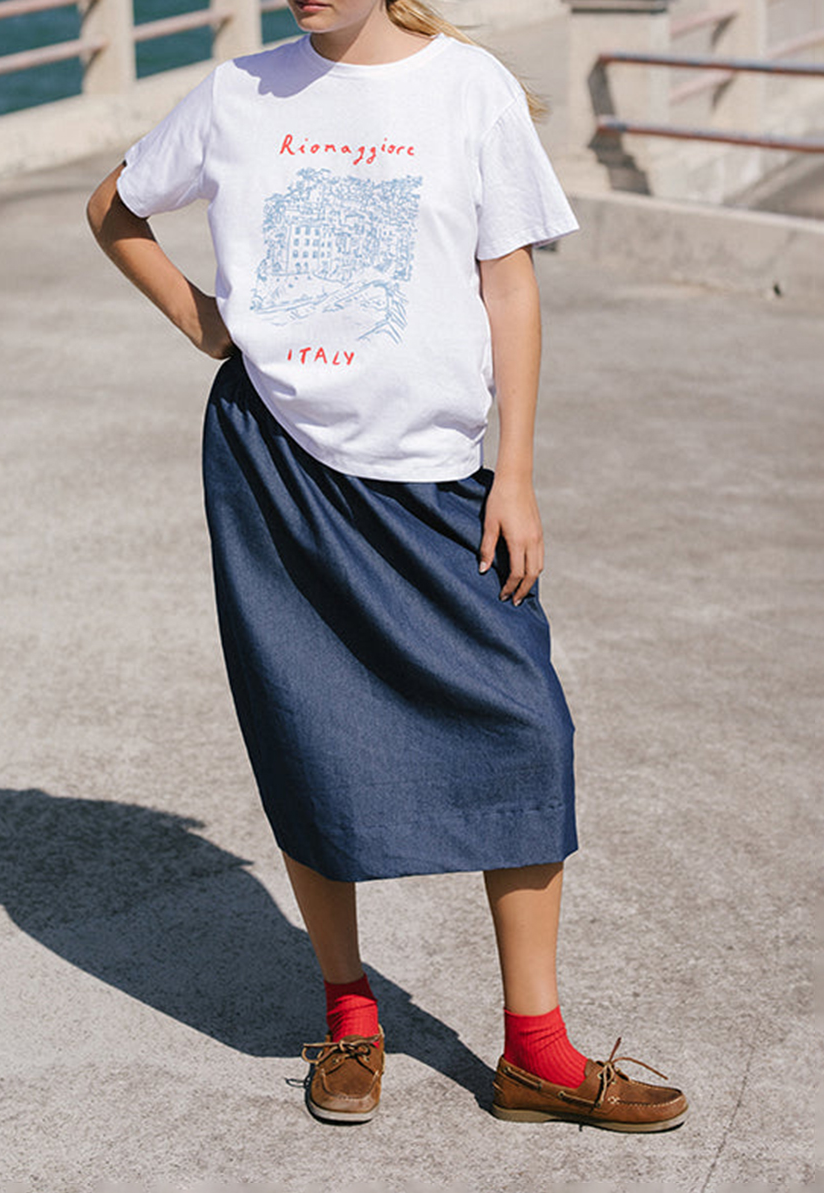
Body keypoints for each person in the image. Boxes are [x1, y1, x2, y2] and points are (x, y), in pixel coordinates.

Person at [87, 0, 687, 1131]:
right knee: (308, 732)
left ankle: (536, 1050)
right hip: (277, 466)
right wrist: (202, 318)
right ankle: (350, 1019)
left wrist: (514, 471)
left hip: (439, 478)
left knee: (526, 724)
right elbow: (113, 207)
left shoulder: (470, 87)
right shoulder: (238, 90)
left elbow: (508, 285)